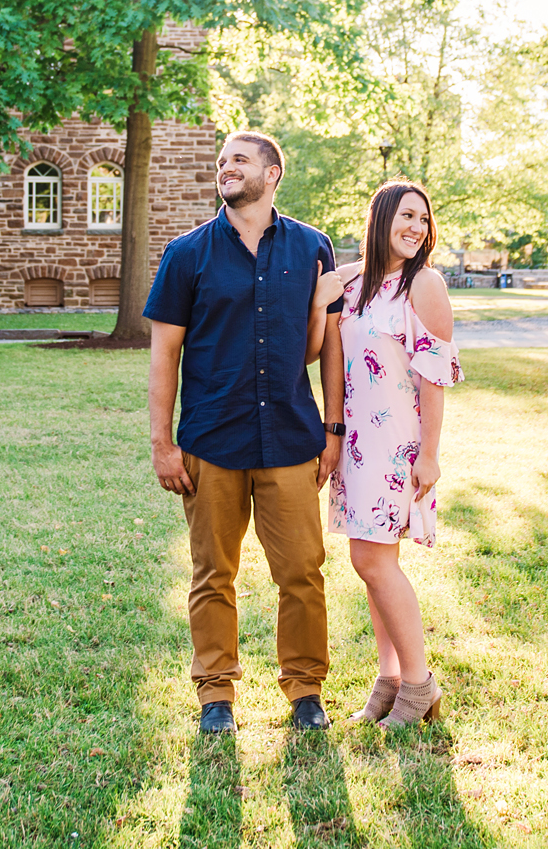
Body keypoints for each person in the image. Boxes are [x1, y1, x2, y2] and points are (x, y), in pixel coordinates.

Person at [144, 131, 352, 735]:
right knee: (213, 573)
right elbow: (165, 355)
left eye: (239, 159)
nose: (225, 168)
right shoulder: (186, 254)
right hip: (211, 440)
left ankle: (306, 690)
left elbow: (326, 346)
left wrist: (333, 428)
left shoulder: (314, 248)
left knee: (303, 572)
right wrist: (162, 442)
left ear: (273, 173)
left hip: (291, 437)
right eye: (221, 162)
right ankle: (215, 696)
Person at [321, 180, 462, 728]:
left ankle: (419, 685)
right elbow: (322, 327)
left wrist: (430, 454)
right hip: (358, 443)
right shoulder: (355, 283)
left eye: (424, 220)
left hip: (397, 446)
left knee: (372, 561)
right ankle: (389, 681)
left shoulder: (423, 284)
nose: (416, 228)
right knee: (372, 564)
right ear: (380, 218)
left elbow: (435, 376)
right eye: (407, 216)